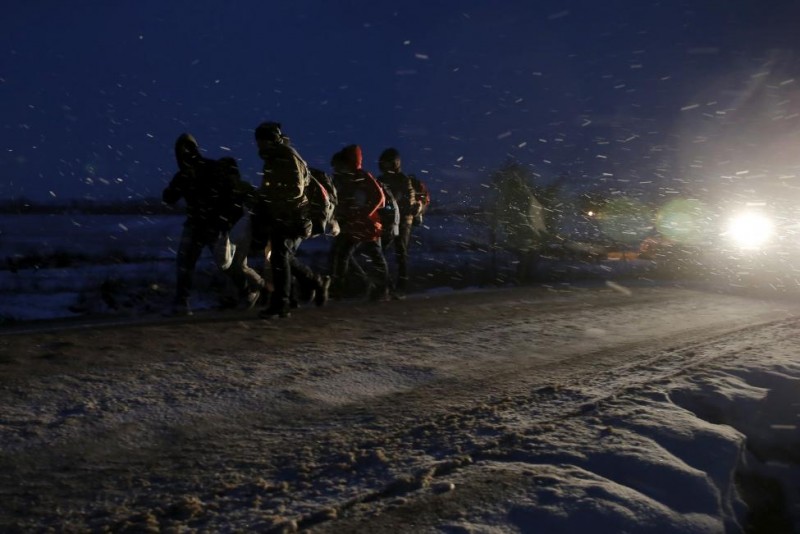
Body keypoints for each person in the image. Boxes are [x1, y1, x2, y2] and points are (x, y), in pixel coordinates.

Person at [162, 133, 255, 316]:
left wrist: (223, 219)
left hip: (211, 224)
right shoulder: (190, 173)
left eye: (187, 149)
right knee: (188, 263)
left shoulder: (208, 168)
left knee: (221, 264)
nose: (184, 154)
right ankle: (182, 302)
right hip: (199, 224)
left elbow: (228, 194)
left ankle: (246, 291)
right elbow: (169, 198)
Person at [251, 122, 329, 318]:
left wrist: (270, 199)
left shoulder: (286, 156)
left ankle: (282, 303)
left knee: (279, 257)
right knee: (283, 257)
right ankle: (314, 282)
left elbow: (295, 190)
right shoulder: (274, 158)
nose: (259, 145)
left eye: (263, 141)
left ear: (272, 140)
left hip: (293, 216)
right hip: (282, 215)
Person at [329, 144, 390, 301]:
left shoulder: (363, 177)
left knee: (373, 256)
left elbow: (379, 197)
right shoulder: (346, 179)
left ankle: (379, 290)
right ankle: (350, 288)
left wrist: (363, 214)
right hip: (354, 225)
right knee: (343, 255)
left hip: (368, 225)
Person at [375, 148, 423, 297]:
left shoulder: (403, 179)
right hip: (389, 222)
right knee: (383, 253)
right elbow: (380, 201)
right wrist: (388, 208)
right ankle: (387, 286)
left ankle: (399, 288)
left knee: (400, 254)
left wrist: (390, 207)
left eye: (388, 162)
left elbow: (406, 202)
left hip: (402, 221)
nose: (385, 165)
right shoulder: (382, 180)